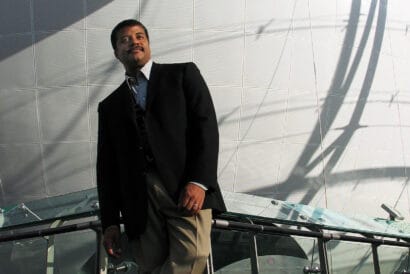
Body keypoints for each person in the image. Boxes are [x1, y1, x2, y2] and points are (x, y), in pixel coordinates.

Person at [96, 19, 226, 274]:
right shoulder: (110, 106)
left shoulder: (182, 74)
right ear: (116, 53)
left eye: (139, 36)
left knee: (193, 253)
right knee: (151, 263)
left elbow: (206, 128)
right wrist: (109, 222)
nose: (134, 41)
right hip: (138, 199)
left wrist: (199, 181)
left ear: (148, 44)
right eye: (125, 39)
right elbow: (106, 167)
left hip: (184, 187)